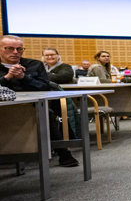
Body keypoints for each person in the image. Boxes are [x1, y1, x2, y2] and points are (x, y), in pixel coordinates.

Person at [0, 35, 80, 167]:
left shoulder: (34, 64)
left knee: (45, 112)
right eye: (10, 48)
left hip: (33, 105)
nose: (15, 52)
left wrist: (23, 77)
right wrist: (7, 77)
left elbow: (44, 86)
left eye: (19, 49)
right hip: (4, 106)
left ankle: (63, 153)